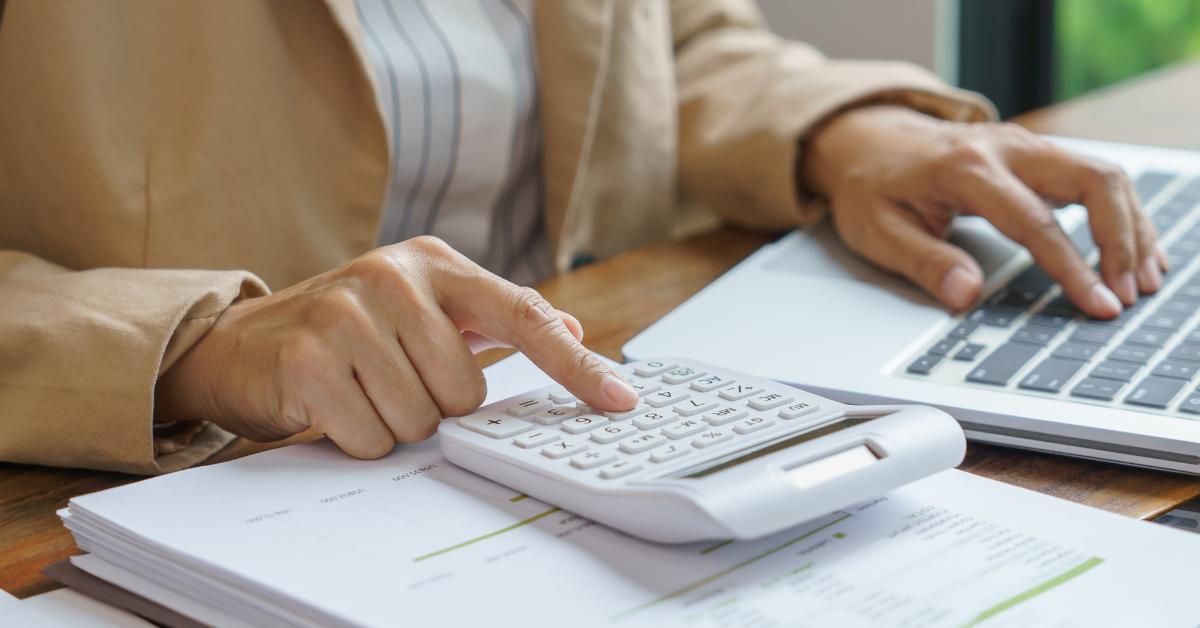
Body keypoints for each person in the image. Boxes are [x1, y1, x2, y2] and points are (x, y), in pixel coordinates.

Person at [0, 0, 1165, 475]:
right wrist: (202, 344)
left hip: (588, 429)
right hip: (211, 475)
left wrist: (843, 132)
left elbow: (678, 39)